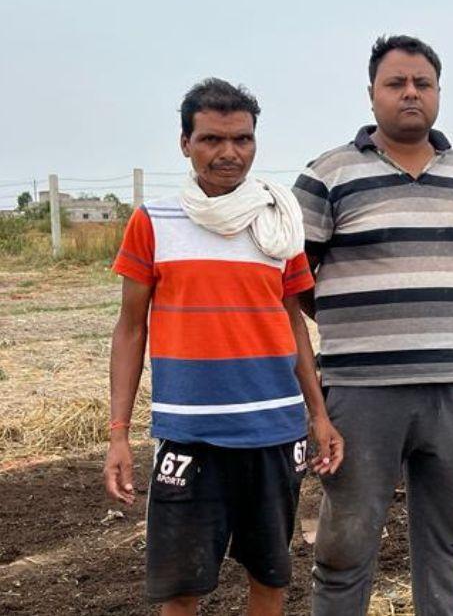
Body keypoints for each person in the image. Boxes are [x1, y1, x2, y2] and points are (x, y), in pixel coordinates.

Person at [104, 78, 343, 616]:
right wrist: (118, 434)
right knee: (180, 588)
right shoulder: (153, 223)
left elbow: (293, 323)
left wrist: (319, 413)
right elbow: (130, 329)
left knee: (269, 575)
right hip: (189, 433)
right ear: (185, 143)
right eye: (212, 139)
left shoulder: (278, 223)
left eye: (242, 139)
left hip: (274, 432)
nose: (229, 153)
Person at [293, 35, 453, 616]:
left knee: (448, 532)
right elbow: (294, 279)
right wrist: (351, 316)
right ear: (372, 94)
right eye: (396, 83)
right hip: (362, 391)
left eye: (422, 84)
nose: (410, 93)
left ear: (437, 93)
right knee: (348, 538)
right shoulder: (328, 174)